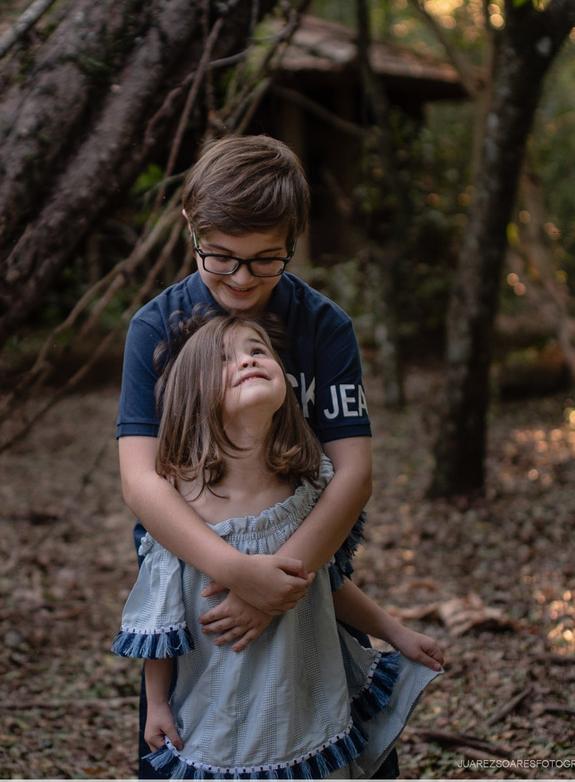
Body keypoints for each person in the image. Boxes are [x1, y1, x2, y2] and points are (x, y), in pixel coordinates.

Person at [116, 135, 386, 776]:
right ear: (191, 225)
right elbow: (141, 480)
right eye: (221, 257)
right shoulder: (156, 328)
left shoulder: (324, 327)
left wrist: (279, 584)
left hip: (310, 589)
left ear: (294, 237)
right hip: (199, 602)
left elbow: (353, 472)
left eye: (266, 259)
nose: (241, 278)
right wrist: (237, 572)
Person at [112, 314, 442, 779]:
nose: (248, 360)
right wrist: (158, 703)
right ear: (193, 394)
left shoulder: (303, 490)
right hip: (219, 714)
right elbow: (161, 619)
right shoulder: (181, 509)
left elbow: (324, 583)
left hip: (303, 704)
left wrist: (396, 632)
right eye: (225, 360)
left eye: (257, 350)